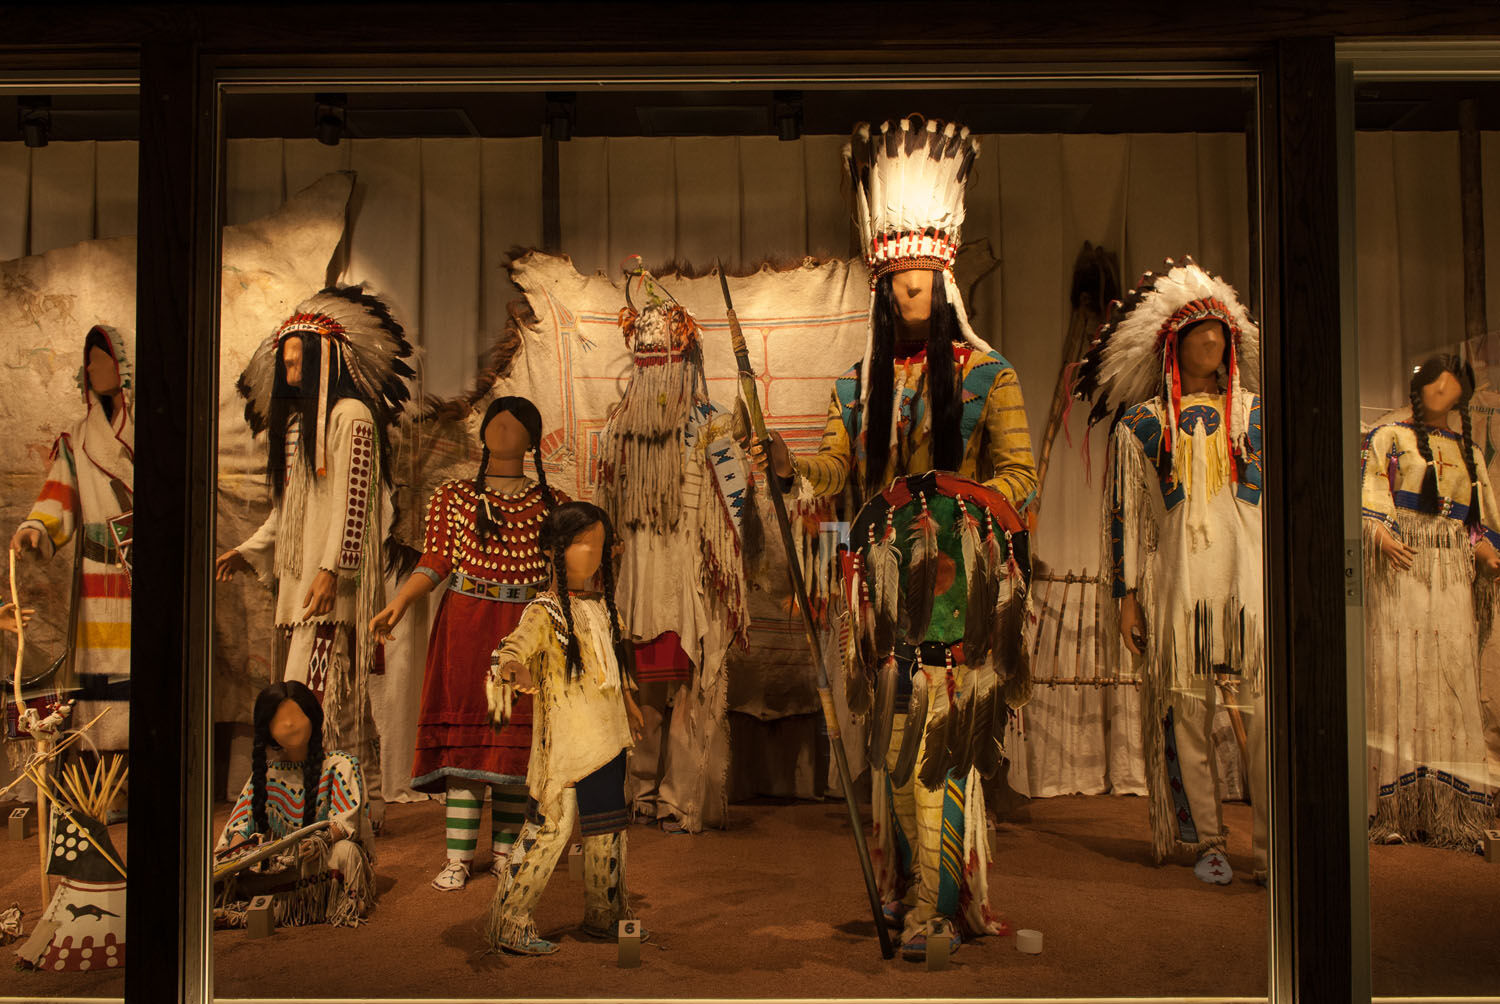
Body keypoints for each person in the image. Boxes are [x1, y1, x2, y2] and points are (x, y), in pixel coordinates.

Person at [757, 115, 1037, 960]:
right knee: (891, 739)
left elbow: (1020, 478)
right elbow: (832, 473)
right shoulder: (857, 387)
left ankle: (934, 904)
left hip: (957, 584)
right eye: (897, 287)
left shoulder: (990, 377)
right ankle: (916, 886)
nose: (908, 297)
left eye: (921, 285)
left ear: (945, 289)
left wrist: (956, 512)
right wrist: (788, 468)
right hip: (879, 591)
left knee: (935, 743)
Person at [1073, 257, 1268, 884]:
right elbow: (1125, 519)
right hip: (1182, 587)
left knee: (1267, 717)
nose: (1212, 340)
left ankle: (1274, 847)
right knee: (1187, 714)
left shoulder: (1260, 418)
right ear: (1172, 344)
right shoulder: (1144, 425)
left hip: (1253, 587)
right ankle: (1207, 840)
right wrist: (1127, 597)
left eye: (1220, 330)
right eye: (1197, 331)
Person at [216, 285, 415, 830]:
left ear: (327, 360)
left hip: (331, 588)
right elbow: (290, 511)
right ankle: (362, 805)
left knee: (312, 701)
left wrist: (334, 570)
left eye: (299, 361)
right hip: (304, 585)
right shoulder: (299, 426)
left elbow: (358, 502)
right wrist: (251, 549)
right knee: (334, 699)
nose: (292, 372)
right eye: (286, 363)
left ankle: (335, 813)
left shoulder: (352, 416)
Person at [370, 396, 567, 890]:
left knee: (513, 746)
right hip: (465, 625)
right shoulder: (453, 497)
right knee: (466, 743)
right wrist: (401, 601)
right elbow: (435, 560)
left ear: (533, 439)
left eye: (515, 424)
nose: (503, 430)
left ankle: (504, 854)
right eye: (496, 423)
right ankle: (457, 858)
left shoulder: (553, 503)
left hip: (527, 628)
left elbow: (562, 573)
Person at [595, 286, 750, 833]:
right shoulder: (617, 430)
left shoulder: (714, 425)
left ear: (687, 361)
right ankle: (639, 791)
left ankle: (681, 798)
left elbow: (734, 513)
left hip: (689, 574)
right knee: (639, 688)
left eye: (667, 360)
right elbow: (606, 511)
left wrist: (718, 568)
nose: (657, 373)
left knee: (690, 689)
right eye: (647, 361)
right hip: (637, 574)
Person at [484, 501, 646, 956]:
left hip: (607, 739)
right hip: (566, 745)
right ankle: (511, 919)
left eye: (598, 545)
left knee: (607, 830)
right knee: (550, 827)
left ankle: (605, 914)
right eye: (581, 544)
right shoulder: (543, 612)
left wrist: (629, 703)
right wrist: (512, 668)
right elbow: (511, 649)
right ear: (553, 549)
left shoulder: (604, 609)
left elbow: (613, 667)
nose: (592, 554)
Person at [1362, 353, 1500, 849]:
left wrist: (1487, 554)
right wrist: (1381, 536)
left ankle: (1449, 811)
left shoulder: (1469, 451)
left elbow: (1476, 522)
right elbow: (1369, 498)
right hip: (1403, 566)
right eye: (1438, 382)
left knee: (1449, 674)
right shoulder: (1387, 436)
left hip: (1450, 574)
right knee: (1398, 671)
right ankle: (1393, 807)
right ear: (1419, 387)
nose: (1445, 390)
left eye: (1453, 384)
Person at [11, 325, 134, 751]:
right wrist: (37, 527)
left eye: (98, 359)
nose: (90, 369)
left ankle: (152, 762)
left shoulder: (161, 430)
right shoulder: (78, 437)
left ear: (123, 365)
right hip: (99, 576)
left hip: (150, 573)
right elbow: (60, 493)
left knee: (149, 665)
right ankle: (104, 763)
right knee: (102, 673)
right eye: (89, 361)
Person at [215, 680, 375, 927]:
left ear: (312, 717)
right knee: (216, 869)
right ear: (268, 728)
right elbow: (239, 826)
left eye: (297, 715)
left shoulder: (340, 766)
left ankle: (298, 905)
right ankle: (274, 906)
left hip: (318, 861)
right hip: (276, 867)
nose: (290, 724)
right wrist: (240, 852)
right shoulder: (264, 774)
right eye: (279, 719)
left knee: (346, 853)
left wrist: (319, 842)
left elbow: (346, 822)